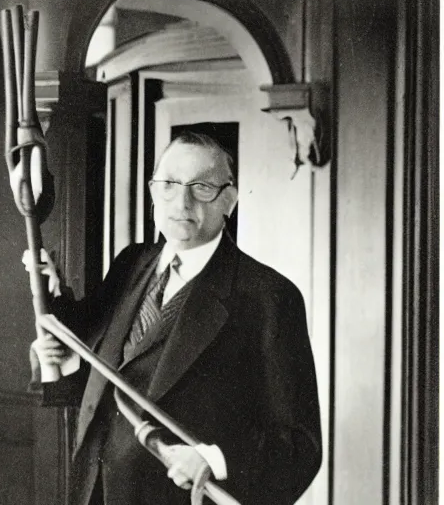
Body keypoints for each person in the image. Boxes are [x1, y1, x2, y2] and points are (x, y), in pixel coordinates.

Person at [28, 131, 322, 505]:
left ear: (229, 200)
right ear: (152, 192)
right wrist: (63, 348)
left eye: (201, 187)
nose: (181, 201)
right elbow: (97, 378)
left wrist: (216, 460)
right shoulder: (130, 263)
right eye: (168, 184)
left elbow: (301, 444)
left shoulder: (270, 296)